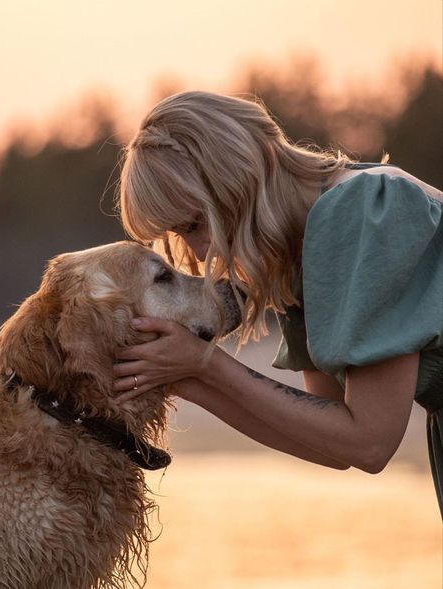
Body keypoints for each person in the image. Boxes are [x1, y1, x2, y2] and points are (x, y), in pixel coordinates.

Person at [113, 90, 443, 515]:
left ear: (232, 177)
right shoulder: (300, 244)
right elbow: (332, 445)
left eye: (195, 224)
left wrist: (206, 364)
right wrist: (186, 379)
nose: (197, 254)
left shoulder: (362, 211)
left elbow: (370, 443)